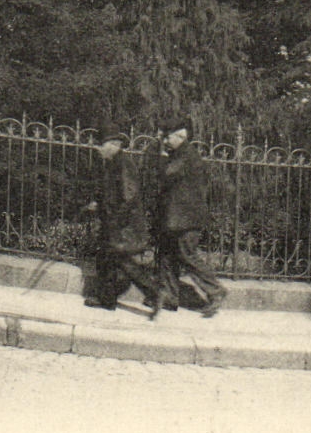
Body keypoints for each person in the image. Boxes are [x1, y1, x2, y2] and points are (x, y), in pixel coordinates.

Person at [153, 122, 227, 317]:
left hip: (186, 219)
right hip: (177, 218)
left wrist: (161, 155)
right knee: (167, 256)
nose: (165, 141)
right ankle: (169, 297)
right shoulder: (181, 155)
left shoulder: (186, 155)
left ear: (180, 137)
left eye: (168, 137)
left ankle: (216, 291)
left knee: (186, 255)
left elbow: (166, 174)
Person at [85, 134, 163, 317]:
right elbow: (113, 193)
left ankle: (154, 292)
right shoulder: (114, 163)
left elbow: (129, 197)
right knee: (109, 259)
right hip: (116, 222)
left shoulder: (123, 164)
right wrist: (99, 204)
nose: (98, 149)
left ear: (114, 145)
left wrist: (115, 220)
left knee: (120, 260)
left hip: (122, 225)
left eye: (100, 144)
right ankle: (107, 300)